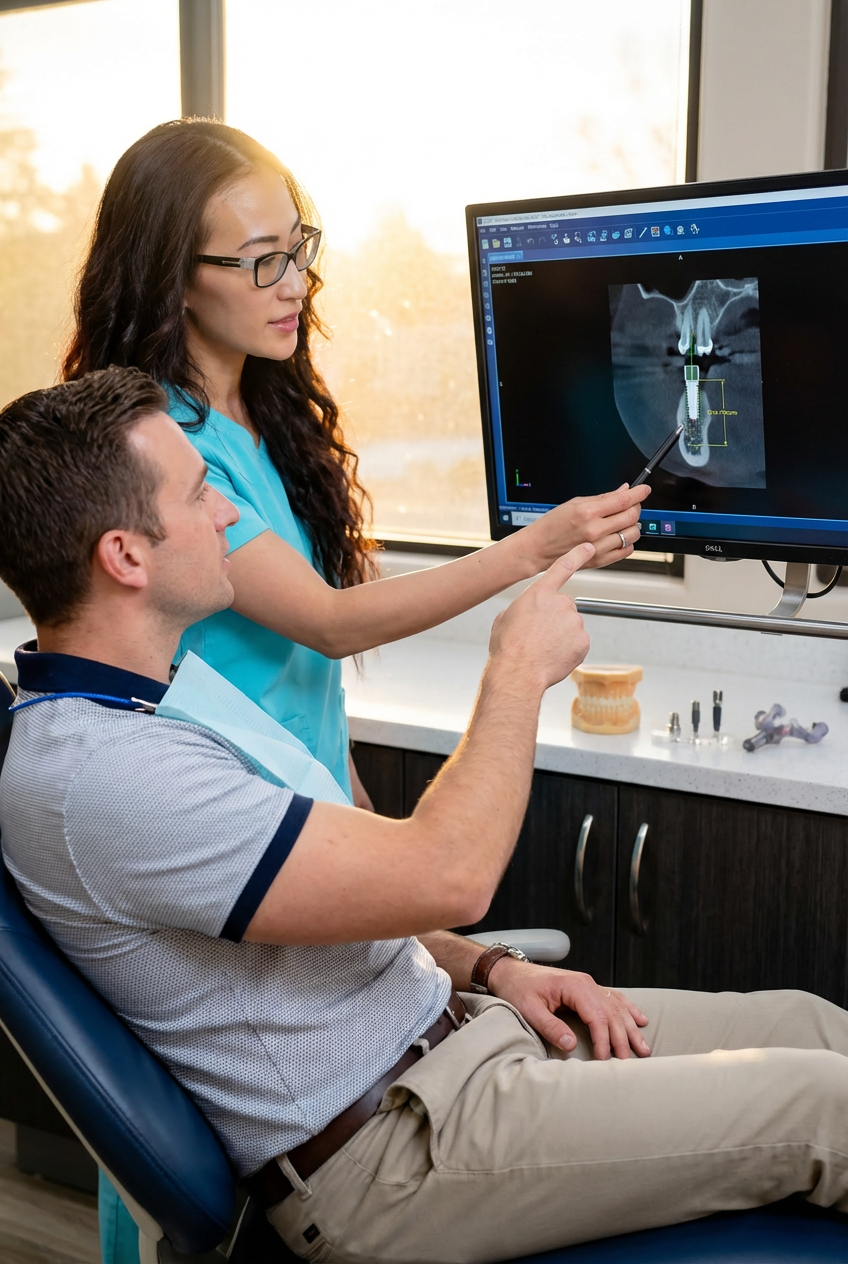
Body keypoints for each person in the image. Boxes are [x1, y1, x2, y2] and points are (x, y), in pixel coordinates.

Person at [1, 370, 847, 1264]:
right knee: (824, 1106)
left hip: (462, 1037)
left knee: (812, 1024)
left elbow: (343, 905)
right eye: (201, 493)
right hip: (391, 1157)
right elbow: (450, 873)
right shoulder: (106, 776)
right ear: (125, 557)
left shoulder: (161, 705)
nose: (226, 516)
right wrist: (516, 672)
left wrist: (494, 967)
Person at [63, 118, 650, 807]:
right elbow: (329, 624)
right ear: (176, 281)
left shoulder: (268, 414)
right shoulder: (164, 447)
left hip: (313, 805)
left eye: (298, 247)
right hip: (236, 819)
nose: (297, 284)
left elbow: (307, 688)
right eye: (263, 261)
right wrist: (536, 546)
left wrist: (371, 835)